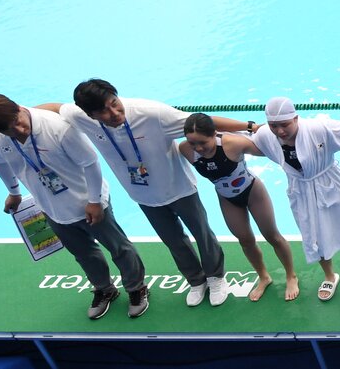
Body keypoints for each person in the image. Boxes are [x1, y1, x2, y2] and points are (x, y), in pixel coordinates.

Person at [56, 79, 244, 307]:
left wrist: (251, 127)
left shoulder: (153, 114)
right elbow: (56, 108)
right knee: (173, 240)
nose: (114, 113)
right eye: (104, 111)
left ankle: (215, 278)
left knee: (202, 233)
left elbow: (205, 123)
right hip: (144, 195)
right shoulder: (80, 117)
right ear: (91, 115)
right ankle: (196, 281)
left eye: (115, 103)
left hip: (179, 188)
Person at [0, 94, 149, 319]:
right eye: (10, 130)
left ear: (20, 107)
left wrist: (95, 201)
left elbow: (90, 163)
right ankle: (105, 290)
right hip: (51, 206)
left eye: (18, 121)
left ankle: (136, 288)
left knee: (119, 247)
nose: (19, 130)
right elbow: (0, 164)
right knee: (83, 253)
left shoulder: (57, 128)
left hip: (89, 201)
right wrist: (14, 192)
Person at [248, 97, 340, 301]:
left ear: (295, 118)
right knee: (312, 233)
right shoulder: (266, 135)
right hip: (300, 189)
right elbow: (243, 141)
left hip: (329, 183)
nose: (280, 131)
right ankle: (329, 275)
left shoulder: (318, 128)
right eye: (273, 126)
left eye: (285, 125)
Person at [179, 113, 299, 301]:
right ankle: (263, 277)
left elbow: (271, 150)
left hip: (252, 192)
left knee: (272, 236)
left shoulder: (233, 144)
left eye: (203, 142)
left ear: (214, 134)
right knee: (245, 240)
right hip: (227, 199)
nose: (198, 148)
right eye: (193, 143)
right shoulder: (184, 149)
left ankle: (291, 276)